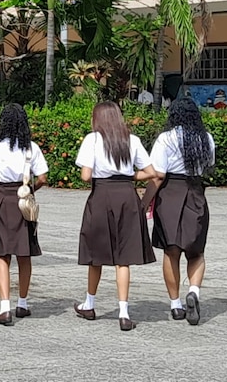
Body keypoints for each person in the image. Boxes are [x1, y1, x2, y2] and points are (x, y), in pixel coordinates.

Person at [73, 101, 157, 331]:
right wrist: (129, 175)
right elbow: (151, 172)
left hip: (101, 195)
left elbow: (85, 175)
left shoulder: (93, 139)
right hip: (127, 196)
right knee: (123, 258)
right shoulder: (131, 140)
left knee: (95, 254)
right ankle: (123, 311)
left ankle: (89, 304)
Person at [0, 104, 47, 326]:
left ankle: (4, 307)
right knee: (25, 253)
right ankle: (22, 303)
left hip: (2, 198)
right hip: (23, 200)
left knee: (2, 254)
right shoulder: (31, 148)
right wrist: (30, 189)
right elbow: (42, 177)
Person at [143, 98, 215, 325]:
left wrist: (143, 203)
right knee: (196, 251)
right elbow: (208, 166)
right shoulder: (206, 138)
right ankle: (193, 290)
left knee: (170, 251)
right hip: (195, 193)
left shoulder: (166, 138)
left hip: (170, 195)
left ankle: (175, 305)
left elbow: (158, 175)